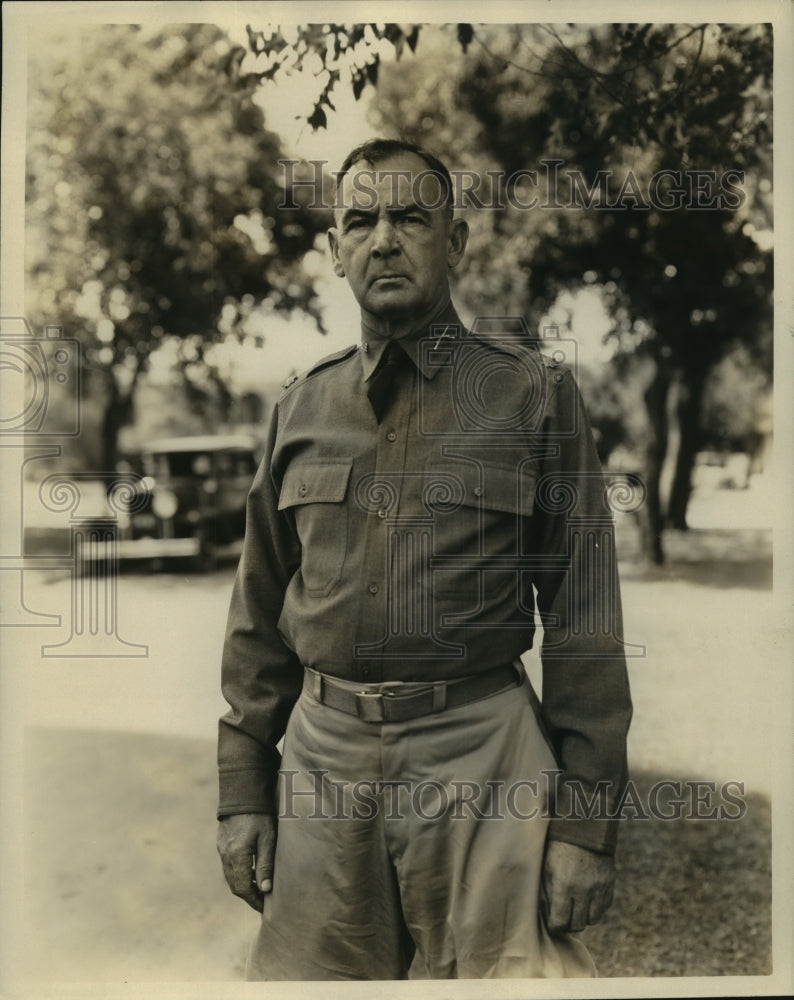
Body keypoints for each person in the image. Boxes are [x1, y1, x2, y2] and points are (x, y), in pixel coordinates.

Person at [216, 138, 632, 980]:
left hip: (483, 758)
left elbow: (585, 621)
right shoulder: (300, 406)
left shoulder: (533, 394)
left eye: (411, 216)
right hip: (324, 763)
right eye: (360, 219)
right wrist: (243, 793)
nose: (384, 239)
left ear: (458, 242)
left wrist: (585, 827)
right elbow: (258, 621)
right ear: (336, 250)